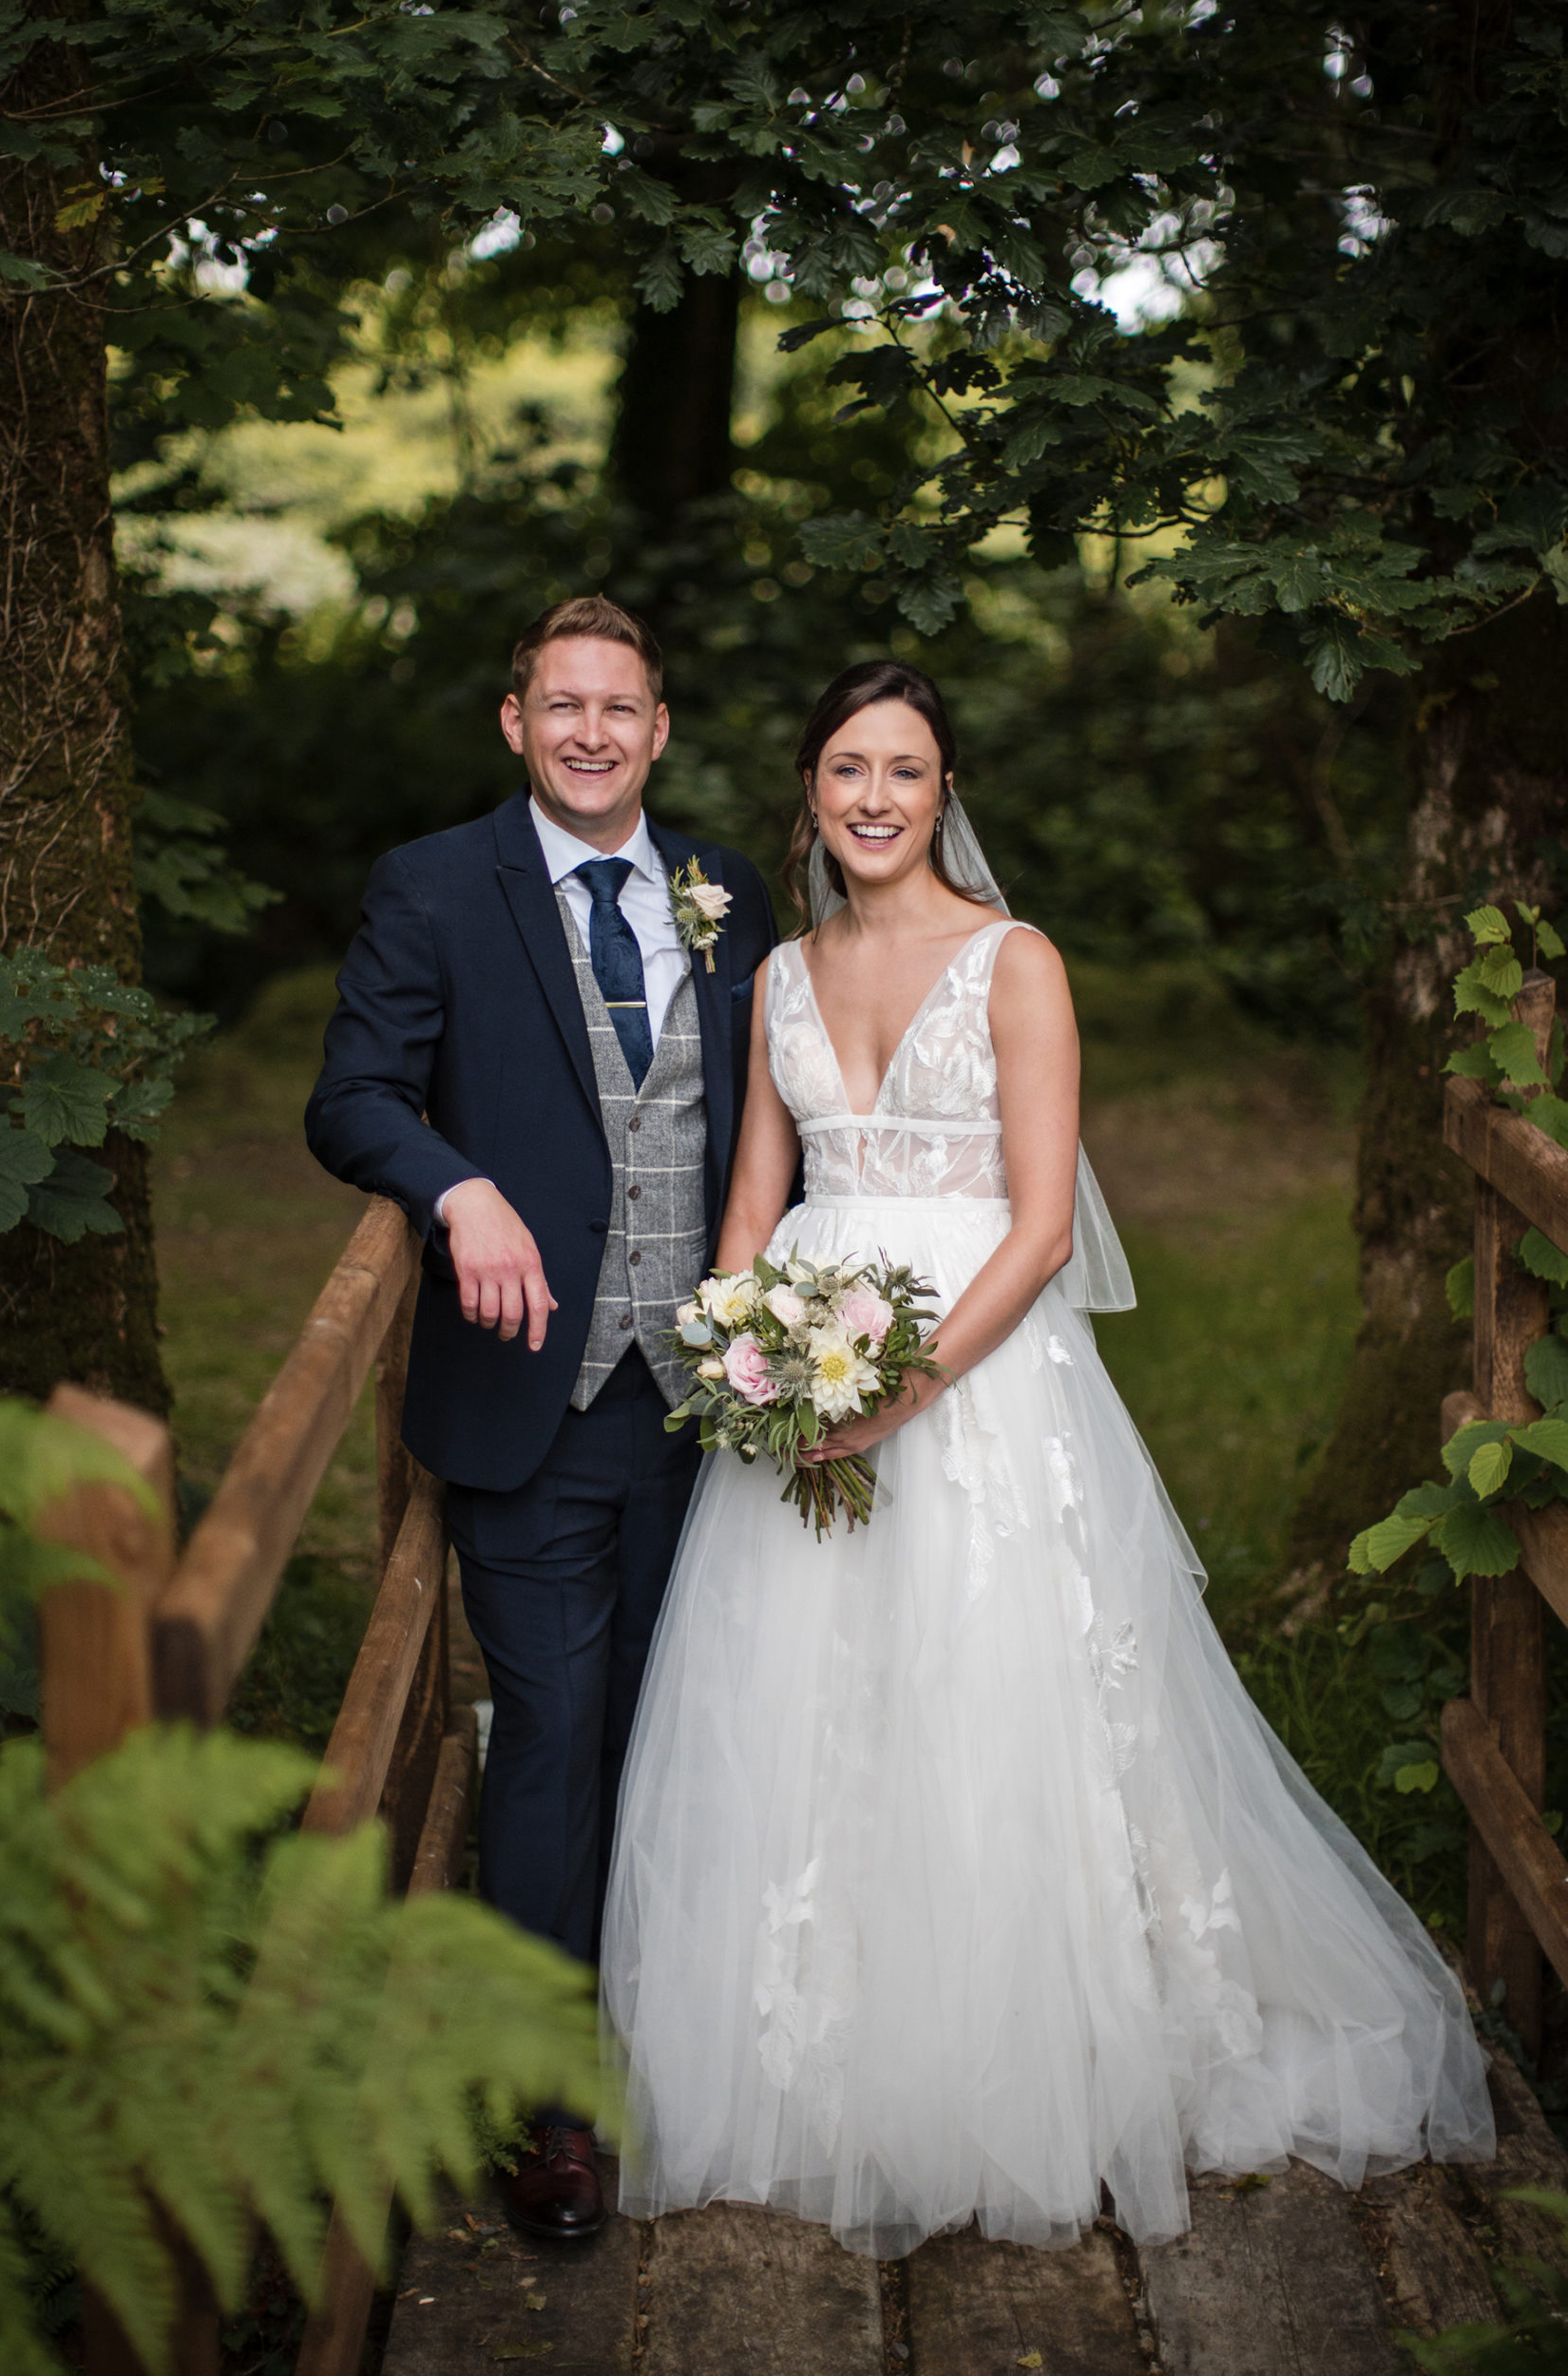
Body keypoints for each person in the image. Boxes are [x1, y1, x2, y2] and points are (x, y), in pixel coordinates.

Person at [601, 659, 1494, 2258]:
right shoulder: (783, 977)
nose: (874, 798)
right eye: (847, 769)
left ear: (947, 794)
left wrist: (903, 1389)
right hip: (797, 1393)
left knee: (992, 1703)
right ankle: (831, 2067)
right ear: (807, 791)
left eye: (907, 771)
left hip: (979, 1387)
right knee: (804, 1712)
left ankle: (1033, 2055)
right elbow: (754, 1193)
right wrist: (747, 1354)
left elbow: (1035, 1223)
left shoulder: (1016, 964)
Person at [305, 596, 776, 2242]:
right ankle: (554, 2103)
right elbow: (352, 1093)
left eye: (620, 707)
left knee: (692, 1734)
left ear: (659, 728)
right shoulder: (435, 886)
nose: (591, 731)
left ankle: (693, 2049)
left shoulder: (732, 893)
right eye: (560, 704)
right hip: (534, 1405)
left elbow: (783, 1117)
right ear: (515, 722)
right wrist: (458, 1190)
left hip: (718, 1406)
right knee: (555, 1744)